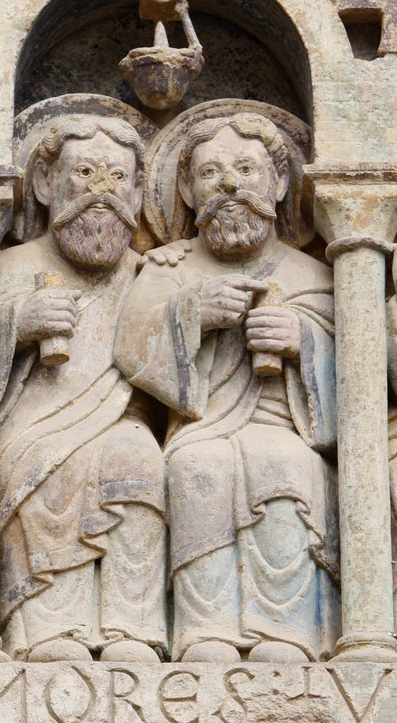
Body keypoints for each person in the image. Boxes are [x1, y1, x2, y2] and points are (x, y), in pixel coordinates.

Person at [115, 112, 338, 663]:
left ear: (281, 182)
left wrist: (304, 342)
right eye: (210, 172)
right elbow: (131, 351)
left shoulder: (314, 275)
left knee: (286, 467)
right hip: (201, 428)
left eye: (246, 168)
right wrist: (193, 313)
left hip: (289, 431)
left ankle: (287, 633)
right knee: (198, 469)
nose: (230, 185)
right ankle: (204, 629)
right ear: (188, 190)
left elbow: (360, 379)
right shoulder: (168, 269)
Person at [0, 115, 166, 663]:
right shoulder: (8, 268)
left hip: (122, 426)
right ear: (45, 185)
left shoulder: (151, 273)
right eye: (85, 172)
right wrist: (16, 326)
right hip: (28, 428)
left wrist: (186, 308)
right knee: (44, 465)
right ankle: (50, 627)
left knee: (137, 456)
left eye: (118, 179)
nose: (101, 192)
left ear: (139, 193)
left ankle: (130, 627)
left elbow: (172, 374)